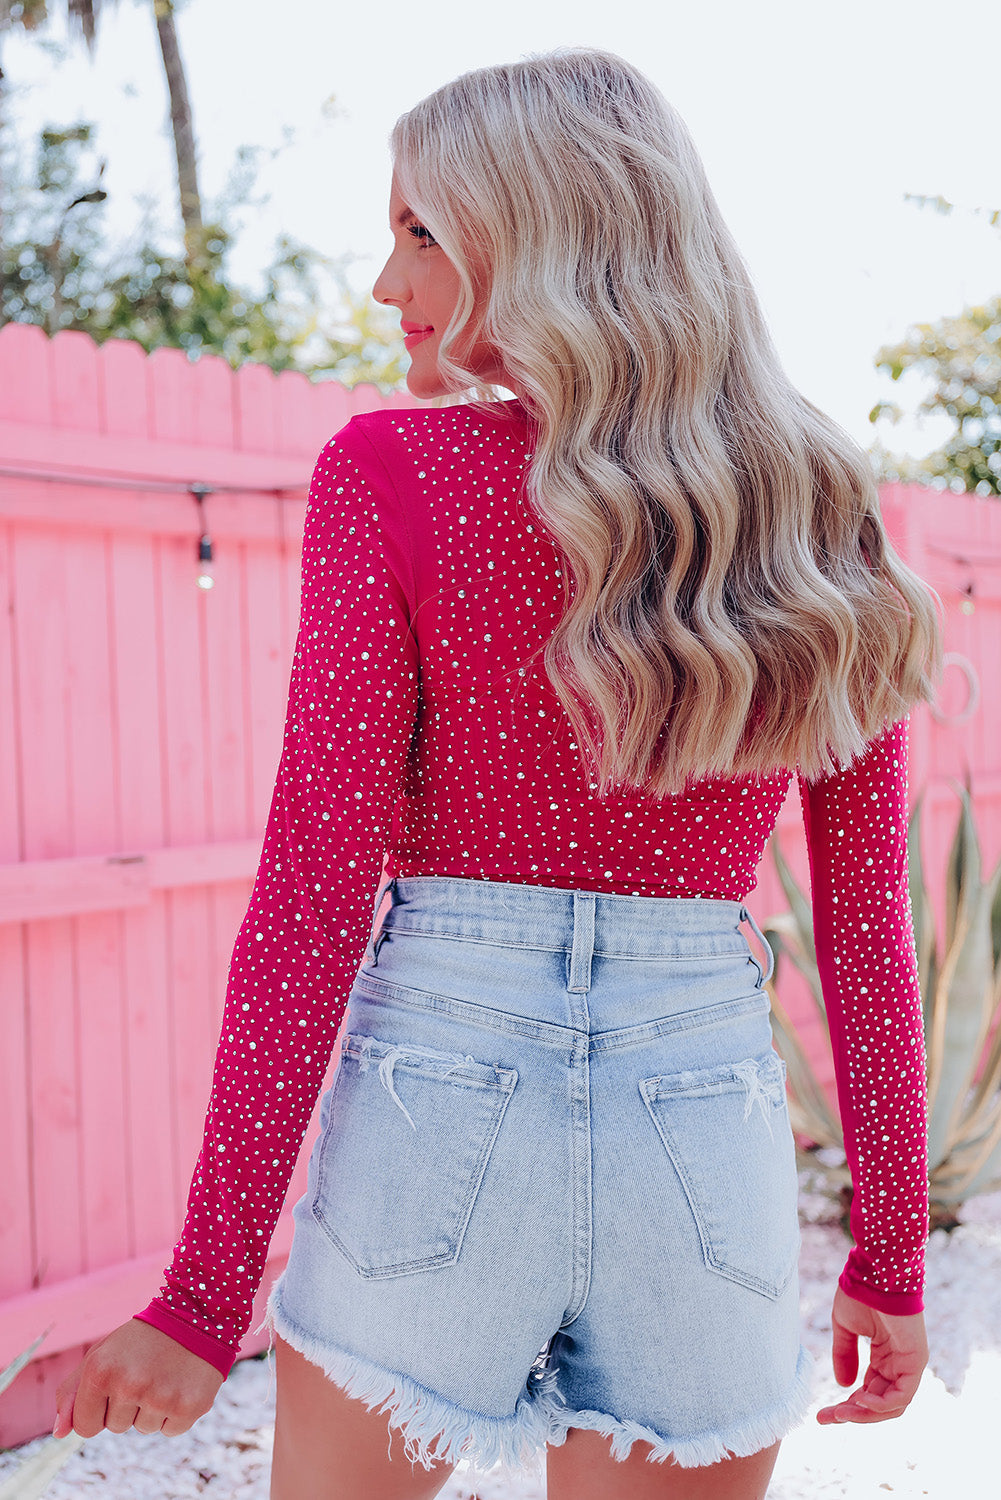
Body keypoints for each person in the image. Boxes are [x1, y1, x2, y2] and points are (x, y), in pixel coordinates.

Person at [54, 48, 939, 1500]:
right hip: (699, 1124)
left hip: (435, 1107)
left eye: (418, 232)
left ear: (538, 229)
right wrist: (890, 1255)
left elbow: (315, 894)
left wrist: (204, 1299)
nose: (385, 283)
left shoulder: (393, 476)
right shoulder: (821, 510)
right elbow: (863, 934)